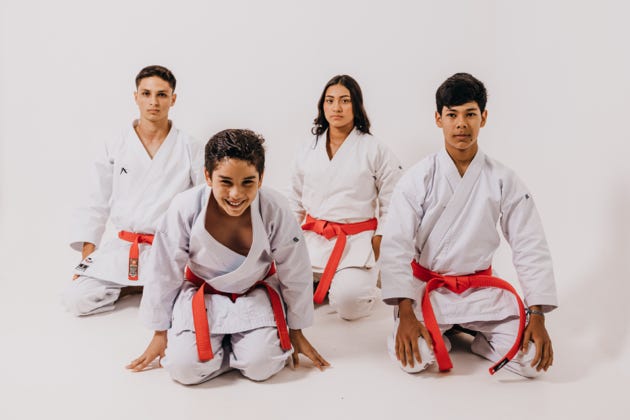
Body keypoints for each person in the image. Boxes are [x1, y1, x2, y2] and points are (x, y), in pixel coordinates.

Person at [380, 73, 558, 377]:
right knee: (417, 360)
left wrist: (537, 314)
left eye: (470, 114)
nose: (461, 123)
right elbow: (396, 245)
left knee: (531, 363)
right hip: (430, 292)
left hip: (482, 291)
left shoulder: (503, 179)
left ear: (483, 118)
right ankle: (441, 337)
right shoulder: (417, 178)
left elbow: (530, 244)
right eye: (452, 115)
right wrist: (406, 312)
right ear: (439, 119)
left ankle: (479, 342)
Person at [128, 129, 329, 384]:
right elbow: (164, 269)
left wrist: (297, 329)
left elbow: (295, 268)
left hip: (254, 293)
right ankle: (230, 354)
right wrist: (159, 333)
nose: (236, 194)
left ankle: (234, 353)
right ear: (207, 176)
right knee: (183, 369)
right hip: (203, 295)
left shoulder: (274, 208)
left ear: (261, 178)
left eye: (248, 182)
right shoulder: (185, 206)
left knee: (261, 366)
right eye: (225, 182)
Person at [62, 65, 203, 316]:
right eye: (146, 94)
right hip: (125, 246)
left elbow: (205, 203)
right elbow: (96, 199)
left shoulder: (189, 146)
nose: (153, 102)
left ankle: (146, 286)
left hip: (169, 248)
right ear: (135, 97)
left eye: (161, 94)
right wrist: (88, 260)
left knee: (192, 307)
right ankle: (131, 287)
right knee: (76, 299)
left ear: (173, 99)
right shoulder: (116, 144)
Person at [288, 74, 402, 321]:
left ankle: (358, 280)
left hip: (355, 242)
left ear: (356, 106)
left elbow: (392, 199)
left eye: (344, 101)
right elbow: (294, 199)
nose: (336, 107)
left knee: (351, 304)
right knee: (279, 294)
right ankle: (328, 283)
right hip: (313, 241)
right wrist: (288, 239)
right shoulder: (308, 148)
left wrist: (380, 237)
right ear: (322, 106)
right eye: (329, 101)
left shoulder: (374, 149)